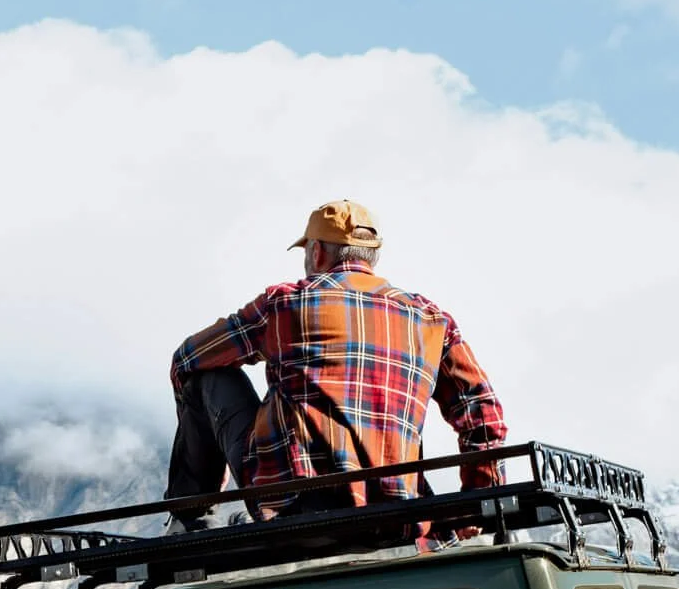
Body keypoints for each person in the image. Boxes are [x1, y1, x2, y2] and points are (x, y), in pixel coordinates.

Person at [166, 199, 506, 526]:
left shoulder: (284, 304)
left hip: (295, 508)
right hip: (399, 514)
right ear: (373, 256)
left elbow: (188, 358)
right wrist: (475, 507)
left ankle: (191, 518)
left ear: (316, 252)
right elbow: (483, 414)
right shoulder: (431, 319)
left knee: (204, 375)